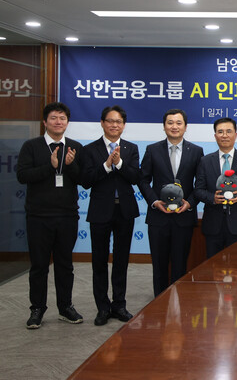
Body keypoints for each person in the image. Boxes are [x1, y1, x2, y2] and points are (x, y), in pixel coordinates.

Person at [16, 102, 84, 329]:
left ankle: (65, 307)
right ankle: (37, 309)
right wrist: (50, 166)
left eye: (62, 118)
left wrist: (70, 166)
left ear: (67, 122)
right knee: (39, 266)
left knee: (65, 265)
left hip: (67, 216)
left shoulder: (75, 147)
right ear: (45, 122)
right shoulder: (31, 146)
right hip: (38, 217)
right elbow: (22, 176)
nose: (58, 122)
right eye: (54, 118)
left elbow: (84, 180)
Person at [81, 105, 140, 326]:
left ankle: (119, 305)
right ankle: (103, 308)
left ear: (123, 125)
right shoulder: (90, 149)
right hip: (100, 211)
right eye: (110, 121)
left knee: (121, 260)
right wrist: (106, 166)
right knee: (99, 261)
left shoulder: (131, 148)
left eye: (119, 122)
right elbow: (86, 181)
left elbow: (135, 177)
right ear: (102, 123)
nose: (114, 125)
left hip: (124, 211)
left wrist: (119, 163)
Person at [138, 109, 203, 296]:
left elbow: (201, 184)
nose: (174, 126)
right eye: (170, 122)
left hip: (184, 218)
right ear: (164, 126)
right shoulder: (152, 150)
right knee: (159, 265)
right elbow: (143, 180)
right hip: (158, 218)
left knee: (180, 265)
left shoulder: (196, 151)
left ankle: (178, 303)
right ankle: (159, 303)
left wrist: (190, 203)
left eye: (178, 123)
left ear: (185, 127)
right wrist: (154, 201)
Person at [194, 117, 237, 258]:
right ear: (215, 136)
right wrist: (212, 198)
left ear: (235, 135)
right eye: (220, 132)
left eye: (229, 131)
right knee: (212, 265)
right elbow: (198, 190)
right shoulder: (205, 161)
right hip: (212, 223)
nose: (224, 135)